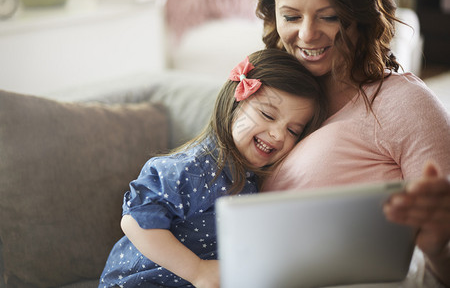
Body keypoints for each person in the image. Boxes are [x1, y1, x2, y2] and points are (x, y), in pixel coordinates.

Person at [256, 0, 450, 286]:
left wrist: (437, 251)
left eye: (330, 17)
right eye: (291, 16)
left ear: (361, 16)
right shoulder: (268, 97)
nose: (307, 35)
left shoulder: (406, 104)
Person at [98, 48, 327, 288]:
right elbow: (134, 220)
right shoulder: (193, 167)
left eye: (293, 130)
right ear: (233, 103)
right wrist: (197, 270)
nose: (278, 134)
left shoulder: (252, 178)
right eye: (268, 115)